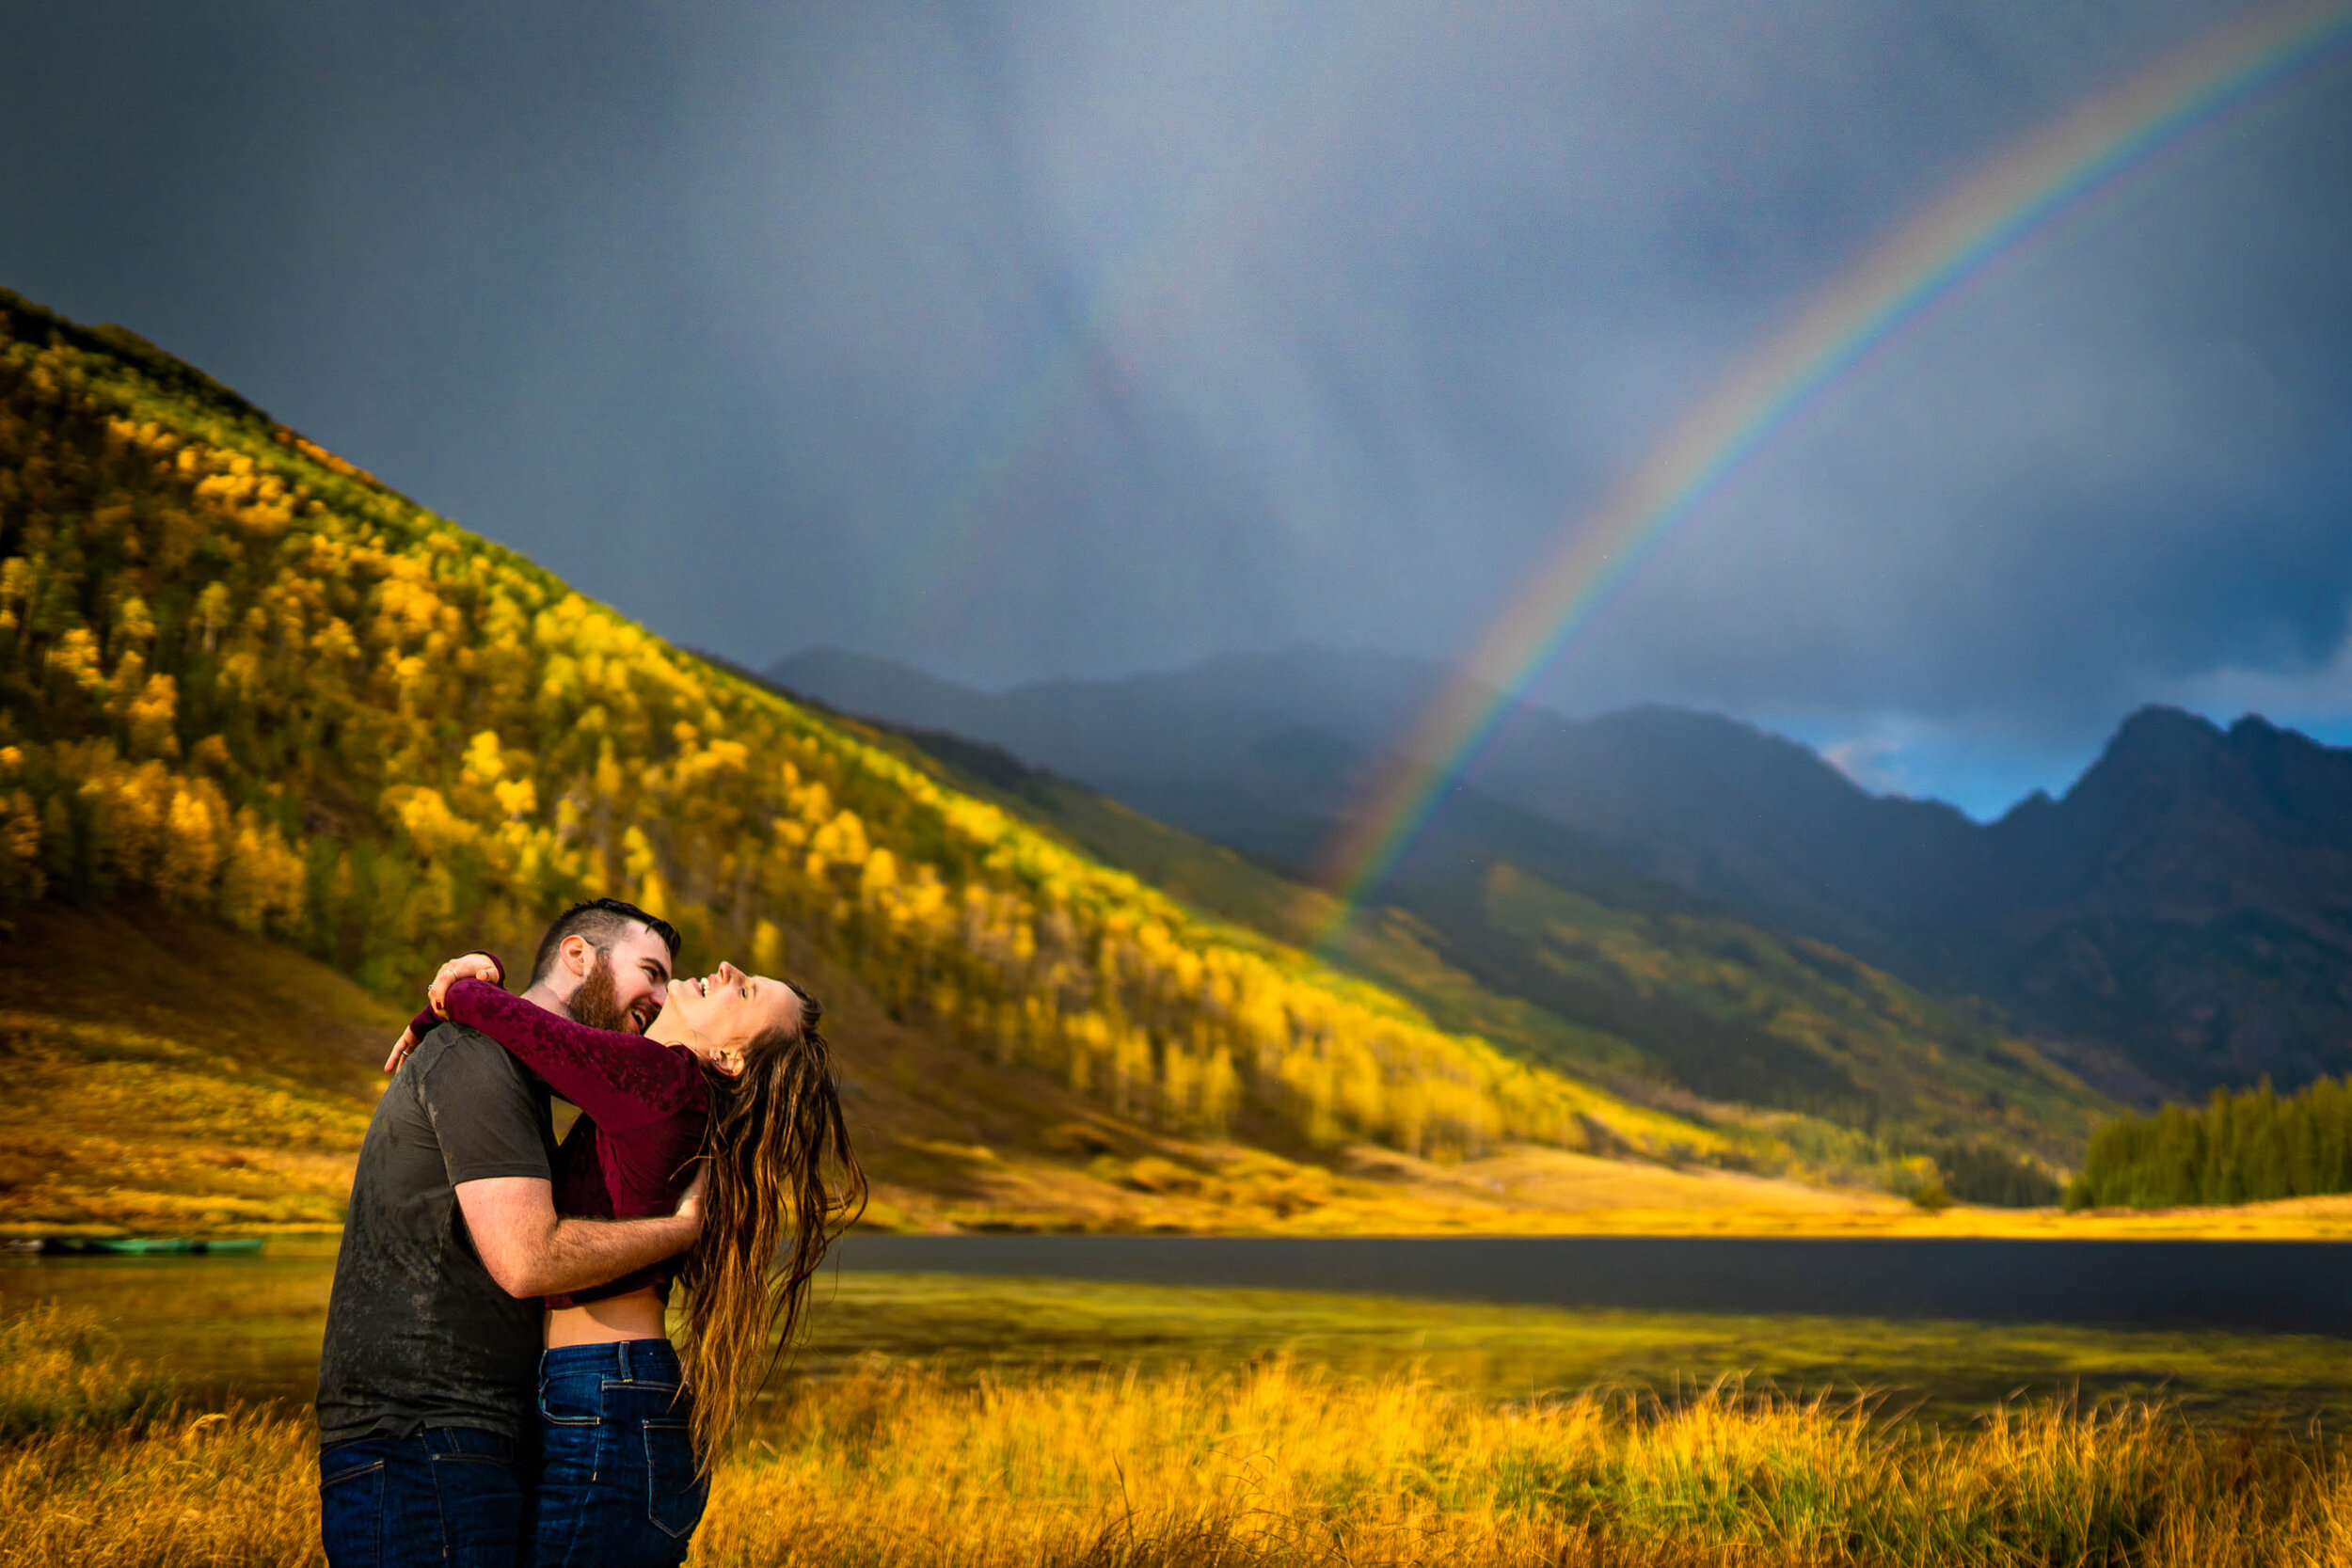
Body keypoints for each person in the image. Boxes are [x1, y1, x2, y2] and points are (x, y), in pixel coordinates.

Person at [407, 944, 866, 1568]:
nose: (728, 969)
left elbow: (529, 1030)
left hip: (607, 1398)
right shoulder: (666, 1096)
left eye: (748, 992)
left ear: (729, 1059)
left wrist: (459, 987)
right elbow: (532, 1040)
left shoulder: (666, 1081)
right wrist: (457, 999)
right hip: (609, 1393)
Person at [315, 898, 694, 1568]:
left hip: (461, 1437)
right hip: (422, 1437)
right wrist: (680, 1230)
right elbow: (527, 1258)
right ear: (579, 955)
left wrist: (462, 986)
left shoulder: (517, 1068)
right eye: (650, 972)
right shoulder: (478, 1058)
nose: (661, 998)